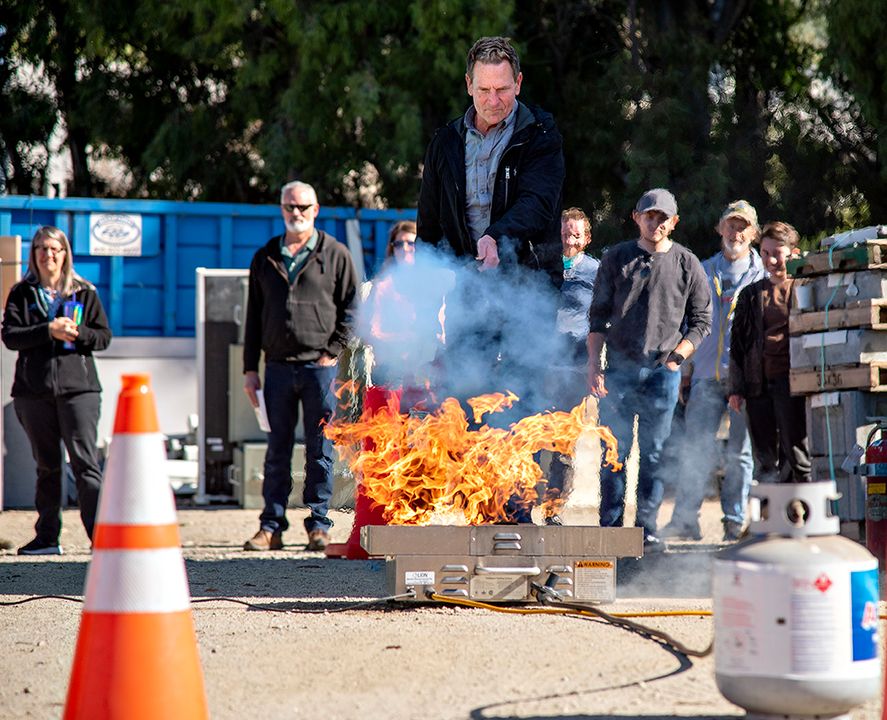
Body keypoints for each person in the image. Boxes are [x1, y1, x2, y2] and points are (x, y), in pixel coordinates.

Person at [587, 189, 712, 551]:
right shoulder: (616, 258)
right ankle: (611, 529)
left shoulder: (687, 263)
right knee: (615, 452)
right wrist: (594, 365)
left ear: (674, 223)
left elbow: (702, 321)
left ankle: (647, 530)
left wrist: (677, 359)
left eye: (662, 218)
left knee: (654, 455)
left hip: (662, 374)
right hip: (618, 372)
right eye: (649, 216)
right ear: (636, 217)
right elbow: (597, 317)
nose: (655, 223)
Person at [242, 181, 358, 552]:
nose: (297, 213)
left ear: (316, 209)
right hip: (277, 368)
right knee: (276, 450)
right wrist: (250, 369)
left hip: (319, 370)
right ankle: (271, 526)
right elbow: (253, 316)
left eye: (304, 207)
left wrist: (333, 351)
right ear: (281, 209)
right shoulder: (265, 257)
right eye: (290, 207)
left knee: (319, 450)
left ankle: (319, 524)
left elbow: (353, 309)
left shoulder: (335, 254)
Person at [1, 226, 112, 555]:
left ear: (65, 254)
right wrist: (48, 329)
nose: (47, 254)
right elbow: (10, 336)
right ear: (33, 254)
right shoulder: (22, 293)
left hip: (79, 391)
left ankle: (101, 538)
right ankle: (48, 538)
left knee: (85, 464)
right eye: (40, 248)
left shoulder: (84, 291)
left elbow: (103, 337)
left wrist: (77, 334)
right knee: (47, 466)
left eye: (54, 248)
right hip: (34, 392)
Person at [660, 201, 765, 542]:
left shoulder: (762, 274)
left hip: (744, 380)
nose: (736, 233)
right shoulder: (702, 270)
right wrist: (685, 371)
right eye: (730, 225)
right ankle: (685, 522)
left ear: (753, 233)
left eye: (743, 227)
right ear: (720, 229)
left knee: (740, 454)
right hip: (704, 375)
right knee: (695, 449)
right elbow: (687, 323)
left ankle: (733, 523)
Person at [417, 35, 565, 274]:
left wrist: (495, 236)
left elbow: (538, 202)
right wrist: (422, 280)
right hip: (463, 283)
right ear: (469, 85)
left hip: (528, 283)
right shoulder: (444, 142)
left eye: (502, 89)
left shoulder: (541, 134)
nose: (493, 101)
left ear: (518, 83)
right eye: (484, 90)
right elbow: (428, 226)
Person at [728, 221, 811, 495]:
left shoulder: (805, 289)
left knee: (796, 452)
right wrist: (736, 389)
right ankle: (769, 512)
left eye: (777, 253)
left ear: (793, 253)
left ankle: (800, 509)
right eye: (765, 253)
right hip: (758, 385)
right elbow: (738, 345)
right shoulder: (751, 295)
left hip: (793, 384)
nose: (771, 260)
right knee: (765, 457)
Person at [542, 207, 600, 525]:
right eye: (566, 233)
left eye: (576, 235)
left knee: (563, 443)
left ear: (587, 238)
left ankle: (553, 511)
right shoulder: (545, 265)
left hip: (575, 369)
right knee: (530, 437)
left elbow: (602, 318)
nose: (570, 239)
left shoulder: (595, 271)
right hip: (540, 365)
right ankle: (522, 507)